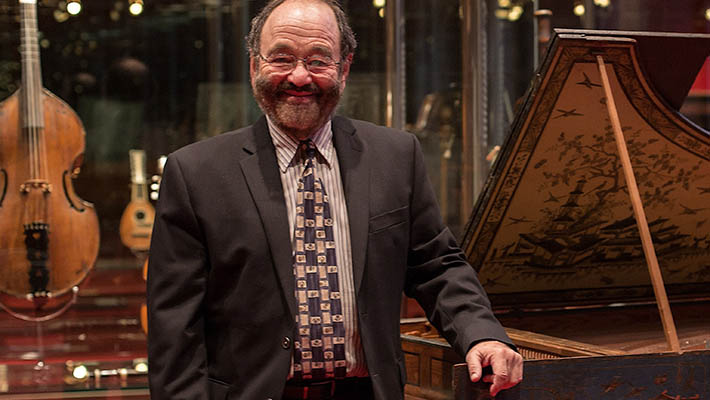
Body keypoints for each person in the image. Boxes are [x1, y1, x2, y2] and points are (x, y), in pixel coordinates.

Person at [146, 0, 523, 399]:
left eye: (318, 60)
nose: (299, 76)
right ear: (255, 66)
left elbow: (437, 266)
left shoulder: (396, 156)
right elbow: (175, 326)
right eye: (281, 58)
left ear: (344, 68)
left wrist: (481, 333)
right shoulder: (196, 173)